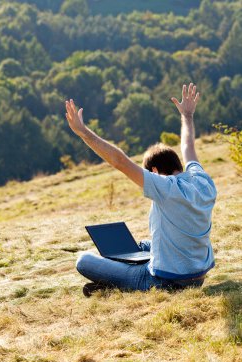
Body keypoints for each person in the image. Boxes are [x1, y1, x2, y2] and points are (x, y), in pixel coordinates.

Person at [65, 83, 217, 297]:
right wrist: (187, 115)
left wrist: (83, 132)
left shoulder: (164, 187)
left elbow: (120, 161)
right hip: (198, 275)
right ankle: (116, 277)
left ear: (154, 171)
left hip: (166, 281)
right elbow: (188, 147)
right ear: (178, 165)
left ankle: (119, 281)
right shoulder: (201, 180)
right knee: (143, 245)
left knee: (84, 261)